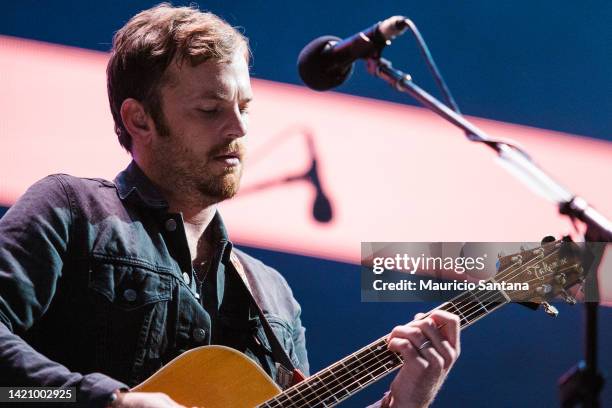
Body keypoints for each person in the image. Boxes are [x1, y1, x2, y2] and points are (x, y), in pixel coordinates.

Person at [0, 4, 461, 407]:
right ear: (139, 118)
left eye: (244, 107)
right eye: (210, 109)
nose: (238, 129)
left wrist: (406, 401)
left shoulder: (273, 294)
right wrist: (110, 401)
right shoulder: (70, 210)